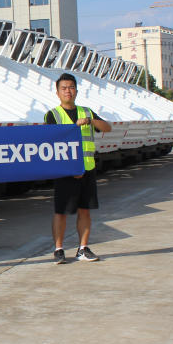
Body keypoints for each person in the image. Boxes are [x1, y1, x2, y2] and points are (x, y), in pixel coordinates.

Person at [44, 72, 113, 264]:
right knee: (61, 211)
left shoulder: (87, 112)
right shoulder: (53, 115)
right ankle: (59, 249)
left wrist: (91, 121)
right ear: (57, 92)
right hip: (65, 172)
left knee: (85, 210)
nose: (68, 91)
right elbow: (51, 141)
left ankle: (83, 248)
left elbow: (107, 128)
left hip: (87, 169)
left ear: (76, 90)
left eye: (71, 87)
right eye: (64, 88)